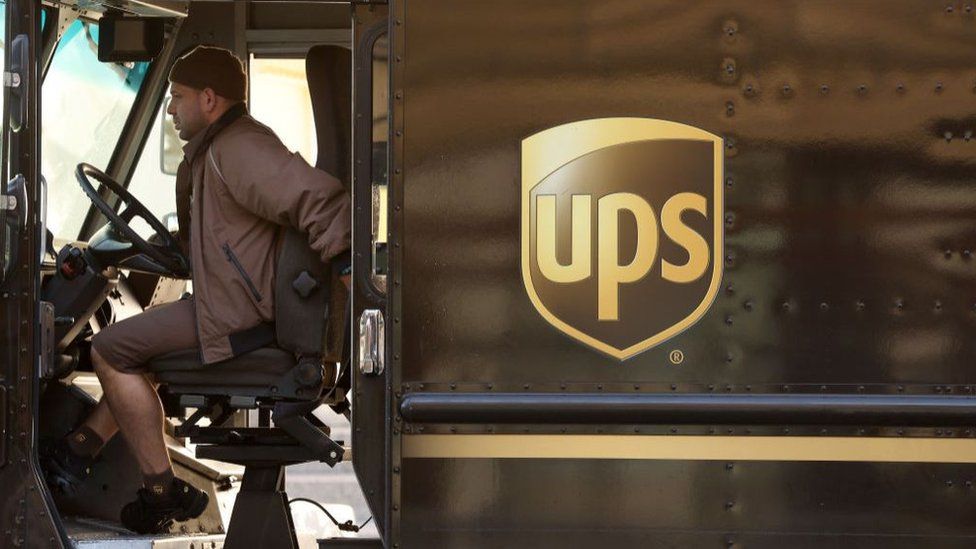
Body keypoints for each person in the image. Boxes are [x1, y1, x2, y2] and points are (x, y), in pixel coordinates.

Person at [40, 46, 351, 534]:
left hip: (238, 319)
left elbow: (320, 202)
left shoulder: (238, 150)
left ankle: (160, 491)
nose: (170, 109)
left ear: (209, 98)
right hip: (239, 308)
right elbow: (218, 244)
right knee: (142, 352)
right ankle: (77, 450)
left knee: (109, 350)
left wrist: (352, 272)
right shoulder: (217, 152)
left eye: (176, 97)